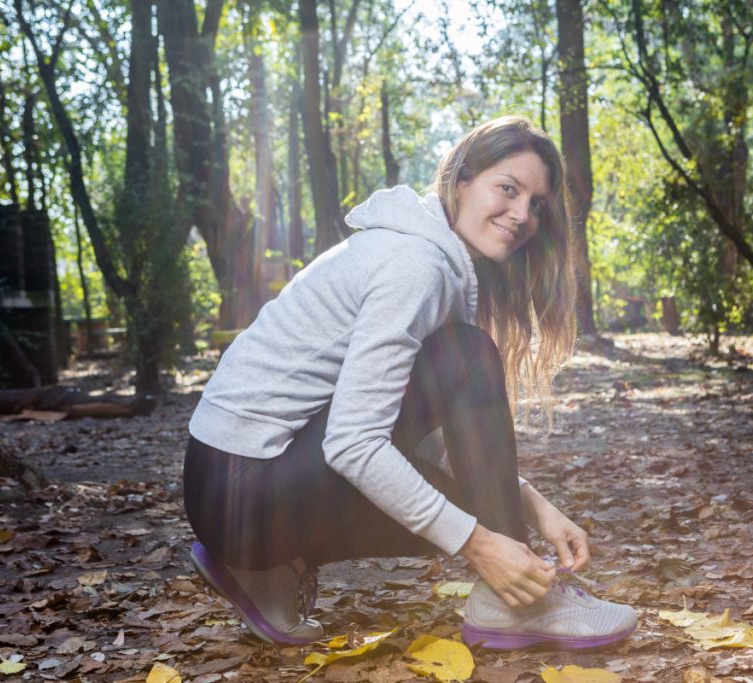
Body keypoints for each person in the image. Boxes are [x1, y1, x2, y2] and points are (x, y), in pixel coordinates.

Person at [183, 115, 637, 650]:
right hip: (245, 491)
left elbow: (435, 441)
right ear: (462, 179)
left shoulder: (429, 259)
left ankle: (269, 567)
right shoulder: (415, 265)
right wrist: (481, 546)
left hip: (231, 491)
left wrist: (535, 506)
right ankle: (518, 604)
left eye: (536, 204)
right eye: (508, 189)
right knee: (467, 357)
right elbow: (354, 444)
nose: (521, 215)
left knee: (454, 489)